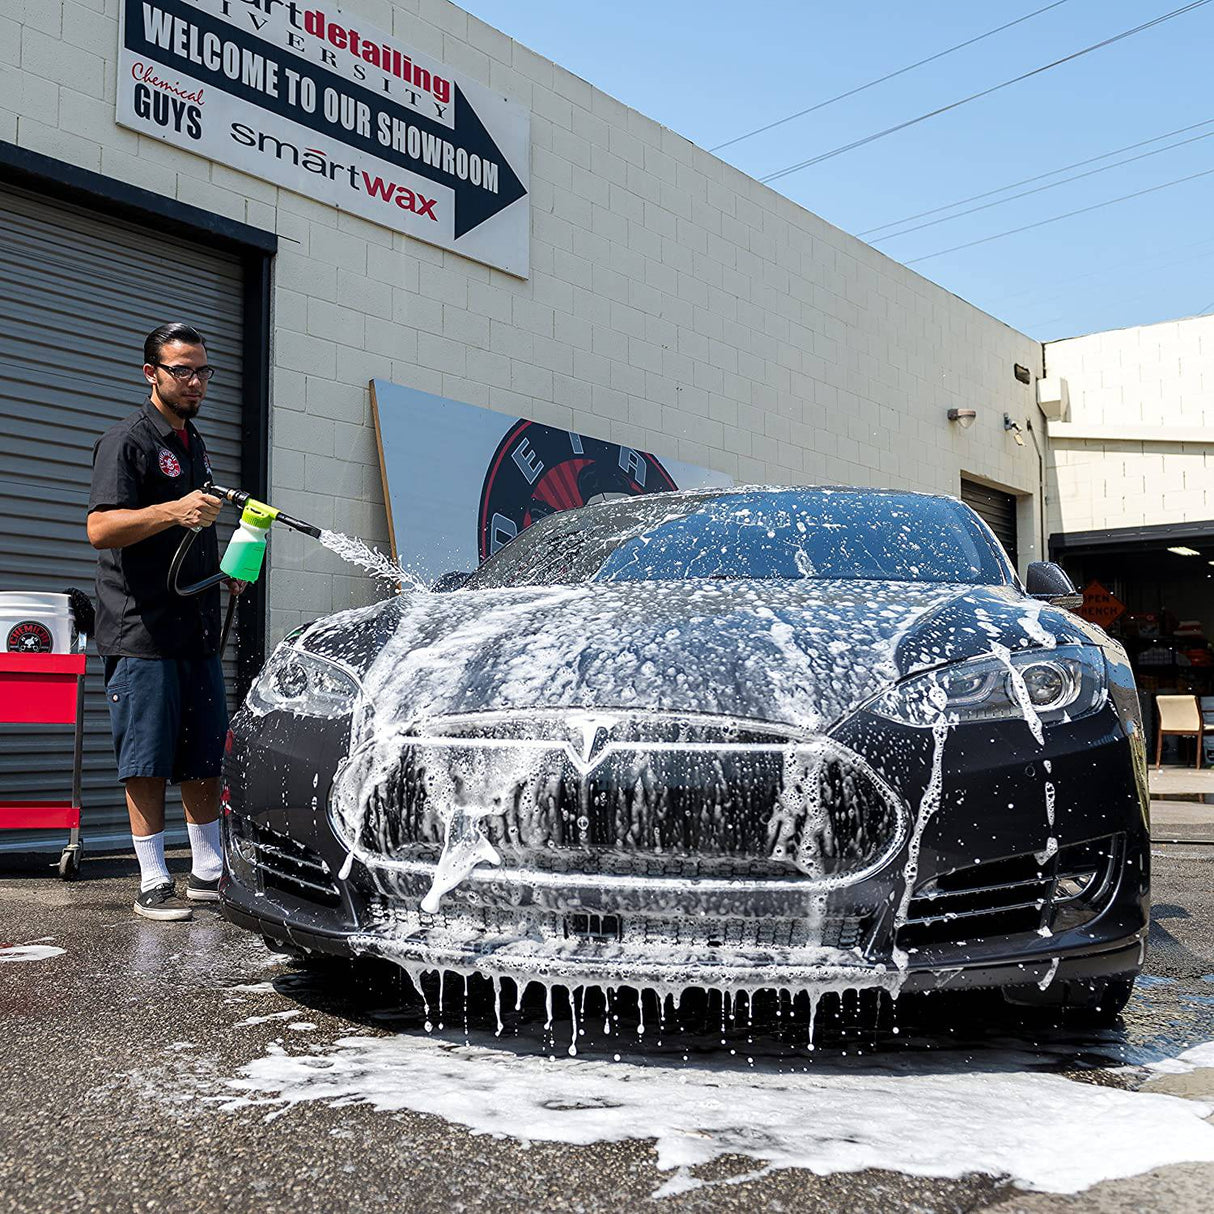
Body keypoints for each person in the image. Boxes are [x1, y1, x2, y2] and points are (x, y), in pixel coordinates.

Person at [87, 322, 241, 920]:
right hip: (141, 630)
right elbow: (100, 528)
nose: (196, 381)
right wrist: (172, 509)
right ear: (151, 373)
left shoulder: (193, 442)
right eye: (183, 370)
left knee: (204, 753)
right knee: (147, 758)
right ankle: (153, 879)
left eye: (203, 370)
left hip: (195, 627)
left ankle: (207, 870)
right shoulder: (127, 441)